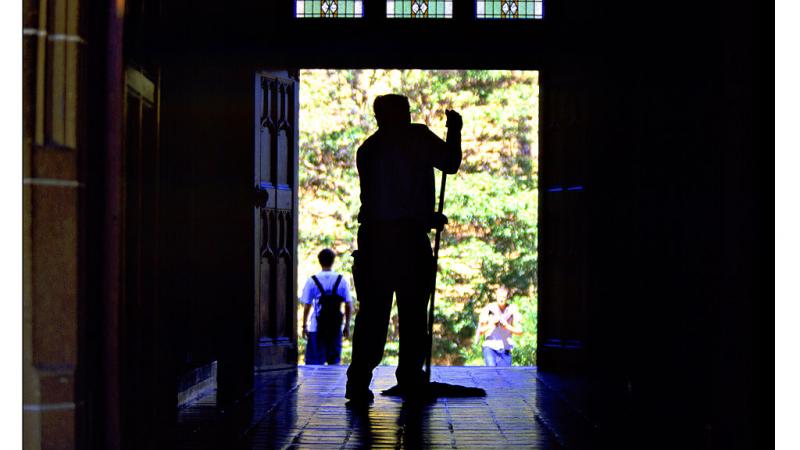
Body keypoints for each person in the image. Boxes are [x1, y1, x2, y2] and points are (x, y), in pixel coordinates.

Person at [345, 94, 462, 403]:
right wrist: (455, 132)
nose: (409, 117)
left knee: (372, 315)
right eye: (406, 112)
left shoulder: (368, 150)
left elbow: (386, 198)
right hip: (409, 241)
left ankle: (358, 381)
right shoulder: (417, 138)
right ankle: (410, 377)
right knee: (412, 316)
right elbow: (449, 163)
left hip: (374, 241)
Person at [300, 248, 353, 365]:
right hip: (335, 326)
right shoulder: (341, 280)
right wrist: (347, 326)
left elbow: (307, 306)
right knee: (334, 362)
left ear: (319, 261)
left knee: (314, 362)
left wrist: (304, 326)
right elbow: (348, 304)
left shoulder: (312, 281)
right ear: (333, 261)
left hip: (316, 326)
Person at [477, 286, 523, 366]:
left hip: (505, 348)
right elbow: (480, 331)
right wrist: (492, 323)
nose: (501, 299)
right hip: (490, 347)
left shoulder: (512, 309)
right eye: (499, 297)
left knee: (504, 376)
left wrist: (507, 326)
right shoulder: (488, 309)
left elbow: (519, 331)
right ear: (496, 296)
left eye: (504, 297)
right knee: (492, 371)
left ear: (507, 297)